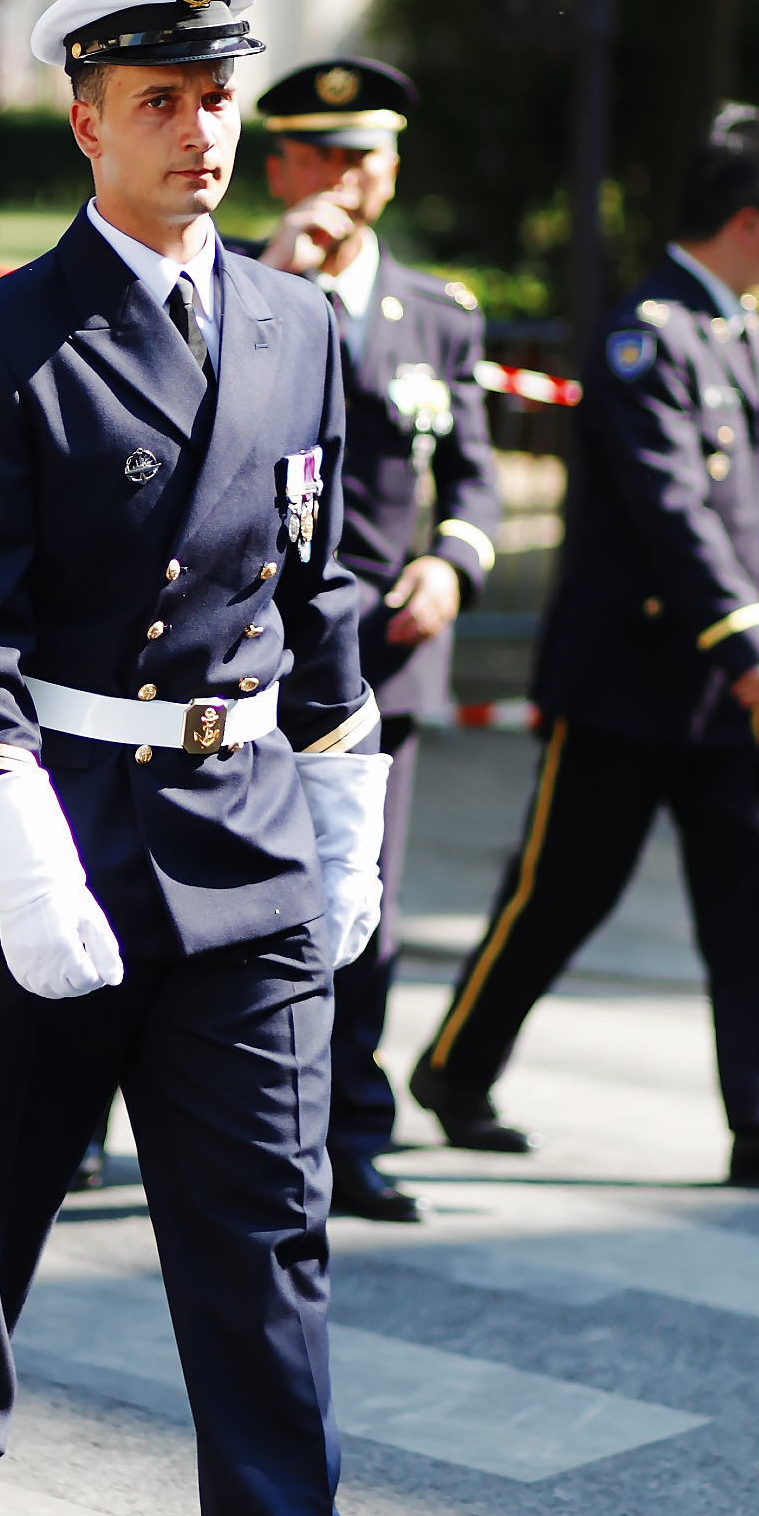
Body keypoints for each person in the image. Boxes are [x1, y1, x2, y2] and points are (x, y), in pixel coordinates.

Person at [0, 0, 475, 1516]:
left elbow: (326, 581)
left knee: (266, 1217)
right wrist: (12, 835)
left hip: (245, 823)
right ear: (87, 121)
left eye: (220, 98)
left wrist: (345, 792)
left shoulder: (303, 327)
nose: (202, 133)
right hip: (57, 814)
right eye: (163, 102)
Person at [412, 104, 759, 1193]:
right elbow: (673, 511)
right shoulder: (643, 331)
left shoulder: (733, 325)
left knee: (756, 898)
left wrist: (755, 651)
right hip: (630, 686)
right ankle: (458, 1069)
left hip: (729, 695)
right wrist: (750, 638)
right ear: (750, 220)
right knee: (561, 892)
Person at [253, 59, 503, 1220]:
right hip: (247, 651)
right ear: (280, 168)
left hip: (380, 661)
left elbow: (478, 478)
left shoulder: (440, 314)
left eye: (371, 153)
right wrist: (268, 278)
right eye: (327, 153)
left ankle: (350, 1129)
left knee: (370, 905)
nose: (352, 176)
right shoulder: (235, 288)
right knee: (225, 890)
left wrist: (452, 562)